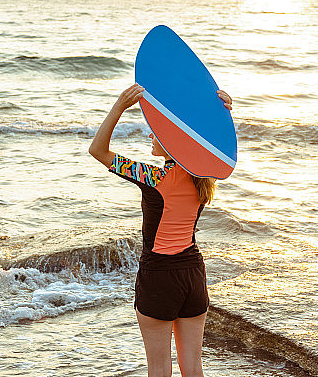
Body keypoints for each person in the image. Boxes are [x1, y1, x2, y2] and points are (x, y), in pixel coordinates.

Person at [88, 83, 233, 377]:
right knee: (193, 369)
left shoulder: (153, 176)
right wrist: (221, 112)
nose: (151, 135)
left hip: (158, 278)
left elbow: (97, 150)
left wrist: (118, 107)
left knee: (159, 370)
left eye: (157, 131)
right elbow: (220, 148)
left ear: (172, 141)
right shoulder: (204, 176)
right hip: (193, 275)